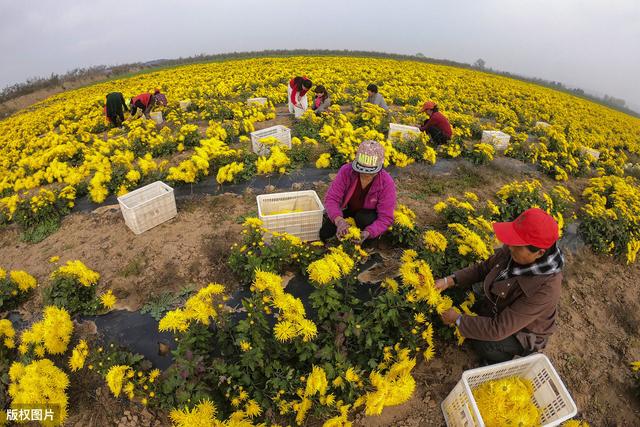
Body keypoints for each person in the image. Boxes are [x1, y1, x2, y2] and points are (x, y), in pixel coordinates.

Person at [436, 208, 564, 365]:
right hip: (500, 310)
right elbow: (483, 268)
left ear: (539, 253)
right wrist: (449, 280)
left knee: (485, 345)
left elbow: (499, 329)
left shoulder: (546, 288)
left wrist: (458, 320)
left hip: (522, 332)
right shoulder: (513, 252)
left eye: (518, 245)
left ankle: (516, 357)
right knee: (476, 313)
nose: (510, 246)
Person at [320, 140, 397, 243]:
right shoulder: (346, 171)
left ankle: (367, 241)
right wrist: (340, 221)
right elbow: (332, 199)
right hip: (348, 210)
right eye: (362, 170)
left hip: (368, 218)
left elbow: (386, 217)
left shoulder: (386, 182)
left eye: (371, 172)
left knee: (364, 221)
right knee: (325, 234)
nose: (366, 175)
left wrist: (369, 232)